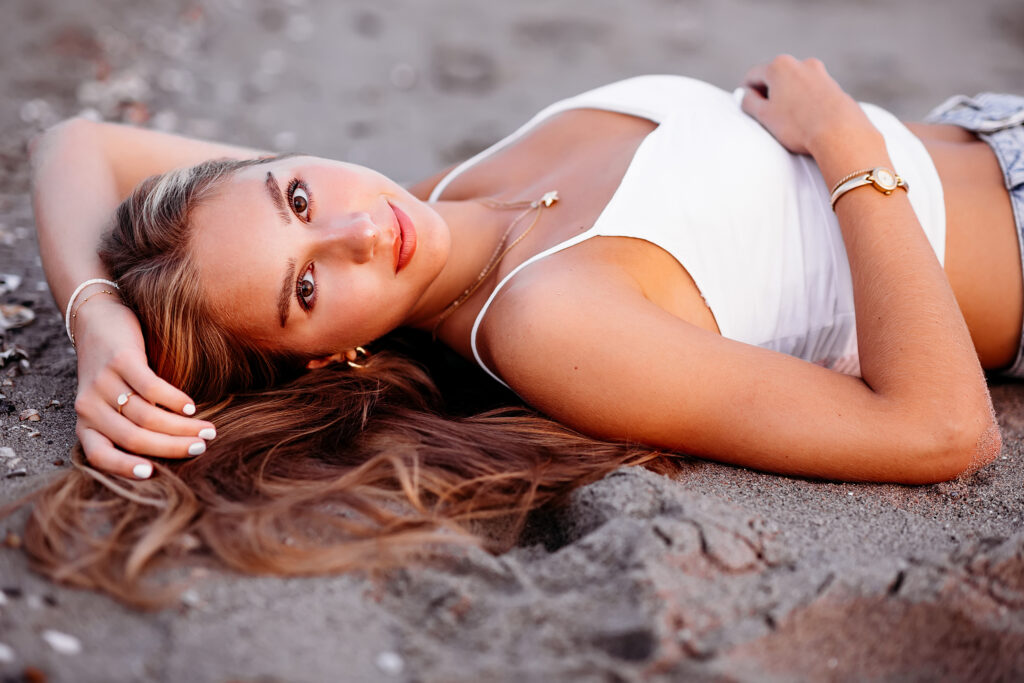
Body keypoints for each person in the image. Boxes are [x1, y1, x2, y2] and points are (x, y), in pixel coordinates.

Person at [21, 56, 1019, 603]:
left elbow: (80, 144)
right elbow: (938, 428)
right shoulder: (549, 321)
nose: (359, 231)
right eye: (309, 289)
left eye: (294, 193)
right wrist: (843, 140)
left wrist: (97, 314)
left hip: (988, 120)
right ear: (329, 355)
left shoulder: (431, 199)